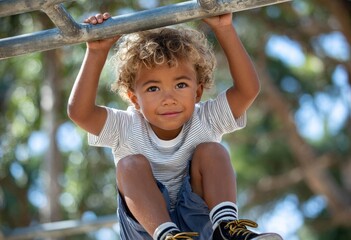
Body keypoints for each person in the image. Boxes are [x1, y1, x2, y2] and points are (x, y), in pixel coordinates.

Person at [68, 11, 282, 240]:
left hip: (201, 225)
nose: (168, 98)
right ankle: (168, 236)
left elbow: (247, 90)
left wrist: (224, 28)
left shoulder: (205, 119)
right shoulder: (126, 126)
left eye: (180, 84)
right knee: (130, 165)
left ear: (198, 91)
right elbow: (80, 113)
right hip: (147, 230)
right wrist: (96, 52)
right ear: (134, 99)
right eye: (153, 88)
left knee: (212, 151)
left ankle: (227, 230)